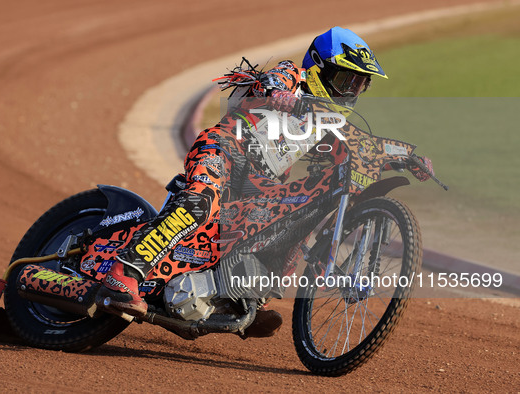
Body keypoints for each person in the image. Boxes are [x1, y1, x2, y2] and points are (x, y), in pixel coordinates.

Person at [92, 26, 432, 337]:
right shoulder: (293, 76)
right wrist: (281, 94)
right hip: (224, 149)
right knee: (199, 202)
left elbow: (362, 144)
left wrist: (407, 155)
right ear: (318, 68)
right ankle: (124, 275)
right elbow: (270, 81)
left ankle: (243, 297)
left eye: (358, 84)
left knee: (292, 221)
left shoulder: (327, 121)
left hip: (257, 182)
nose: (349, 92)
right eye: (345, 80)